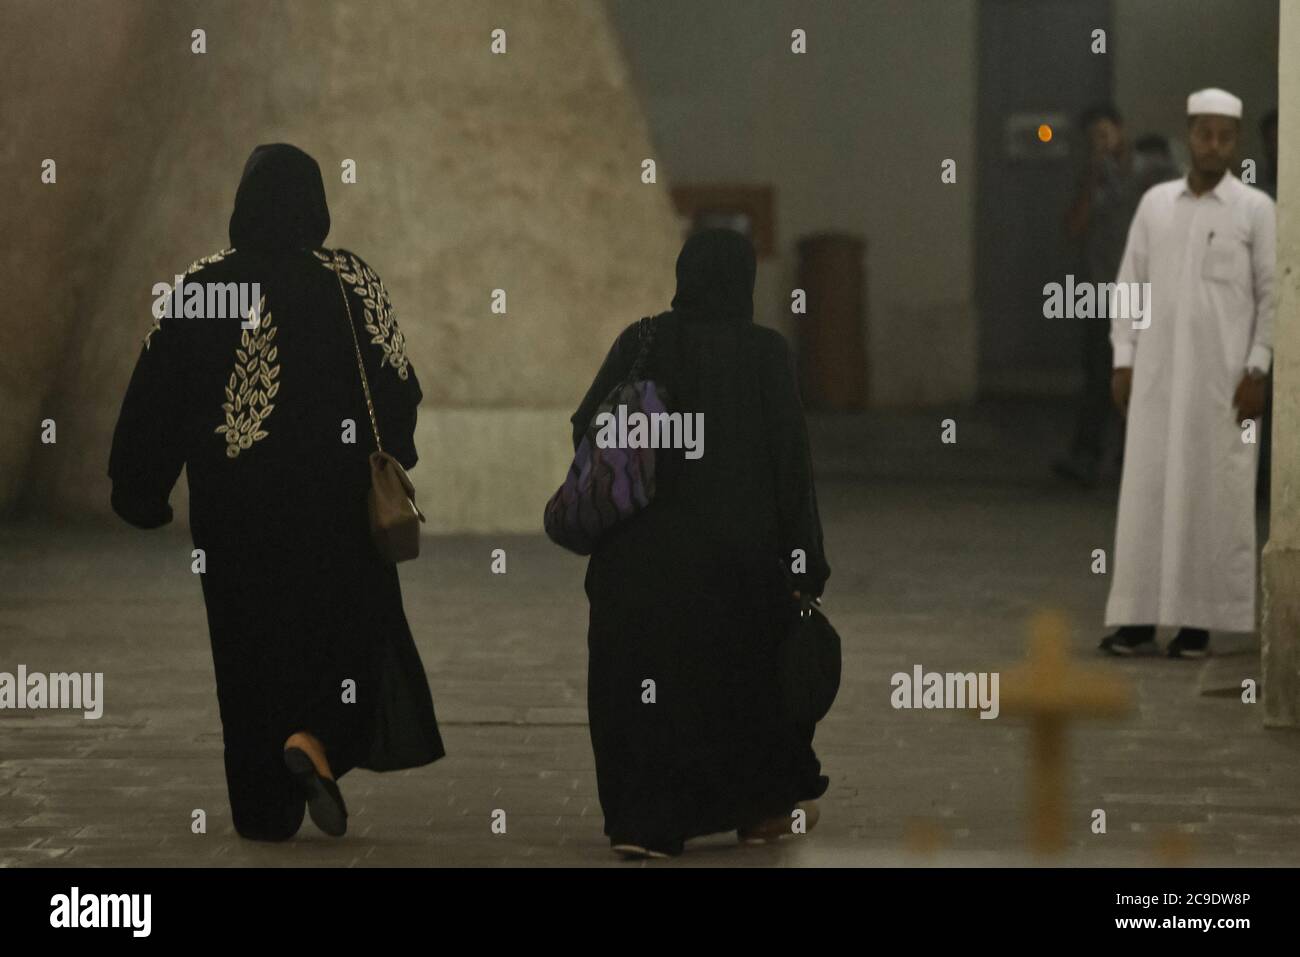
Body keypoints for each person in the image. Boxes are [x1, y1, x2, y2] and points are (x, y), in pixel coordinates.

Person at [108, 143, 444, 839]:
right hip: (340, 509)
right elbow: (396, 383)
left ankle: (265, 808)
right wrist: (394, 454)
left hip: (237, 515)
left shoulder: (203, 287)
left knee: (248, 645)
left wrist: (140, 489)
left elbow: (156, 395)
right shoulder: (350, 279)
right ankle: (317, 736)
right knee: (346, 630)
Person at [568, 228, 831, 858]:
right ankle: (760, 813)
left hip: (635, 571)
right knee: (743, 687)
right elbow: (791, 467)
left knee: (639, 692)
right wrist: (805, 566)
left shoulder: (643, 340)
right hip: (737, 570)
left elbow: (586, 426)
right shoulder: (766, 354)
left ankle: (641, 823)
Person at [1100, 89, 1276, 659]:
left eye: (1226, 136)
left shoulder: (1255, 210)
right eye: (1205, 133)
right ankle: (1136, 622)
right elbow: (1129, 287)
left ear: (1236, 142)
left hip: (1222, 388)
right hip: (1155, 382)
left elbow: (1273, 296)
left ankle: (1197, 624)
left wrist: (1260, 366)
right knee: (1148, 495)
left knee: (1212, 498)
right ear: (1190, 135)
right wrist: (1123, 360)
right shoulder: (1155, 205)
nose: (1214, 145)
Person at [1055, 105, 1141, 488]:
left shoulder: (1146, 175)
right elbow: (1073, 226)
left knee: (1139, 378)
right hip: (1097, 289)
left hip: (1140, 292)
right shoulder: (1089, 177)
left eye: (1105, 135)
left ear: (1120, 132)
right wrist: (1091, 177)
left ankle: (1133, 462)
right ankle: (1086, 457)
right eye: (1093, 139)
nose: (1100, 144)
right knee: (1096, 378)